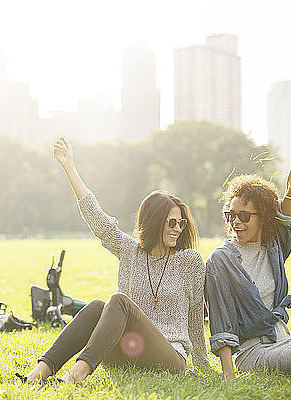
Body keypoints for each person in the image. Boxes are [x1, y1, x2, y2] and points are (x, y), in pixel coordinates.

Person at [18, 136, 210, 384]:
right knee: (97, 305)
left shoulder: (189, 261)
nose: (178, 229)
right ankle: (39, 373)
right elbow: (98, 220)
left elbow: (195, 315)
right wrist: (69, 167)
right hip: (128, 352)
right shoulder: (131, 251)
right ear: (154, 222)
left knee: (119, 300)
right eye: (171, 222)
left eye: (181, 223)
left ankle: (77, 374)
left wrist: (202, 365)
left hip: (170, 356)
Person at [205, 93, 291, 378]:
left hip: (285, 339)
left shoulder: (274, 245)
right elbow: (220, 320)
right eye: (230, 215)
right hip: (254, 355)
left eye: (244, 216)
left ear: (264, 218)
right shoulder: (220, 259)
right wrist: (229, 377)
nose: (236, 222)